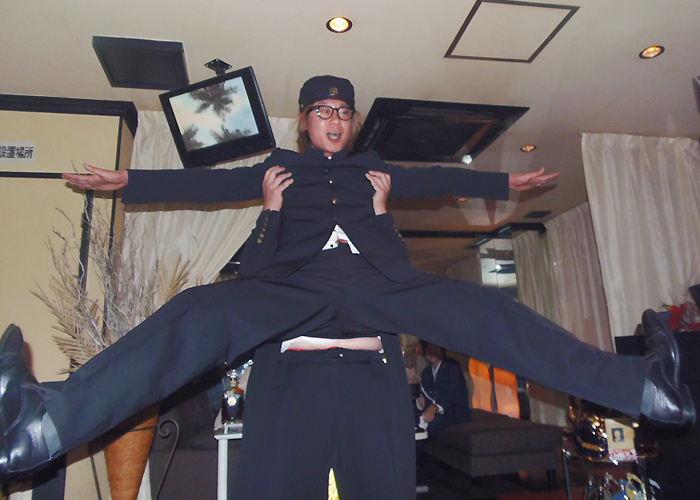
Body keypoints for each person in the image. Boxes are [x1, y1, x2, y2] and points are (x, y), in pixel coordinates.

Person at [0, 76, 694, 499]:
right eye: (322, 111)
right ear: (304, 122)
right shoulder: (278, 167)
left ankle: (645, 389)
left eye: (343, 112)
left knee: (483, 308)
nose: (334, 119)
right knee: (198, 309)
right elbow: (202, 185)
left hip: (374, 285)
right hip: (292, 287)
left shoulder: (374, 169)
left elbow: (439, 178)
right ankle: (44, 425)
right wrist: (128, 181)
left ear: (351, 124)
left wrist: (504, 181)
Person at [416, 342, 471, 438]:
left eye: (434, 347)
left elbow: (452, 395)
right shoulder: (426, 373)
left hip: (454, 413)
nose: (431, 351)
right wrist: (420, 401)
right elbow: (427, 399)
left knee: (433, 424)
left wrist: (433, 409)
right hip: (436, 413)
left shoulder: (452, 366)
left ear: (441, 349)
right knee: (413, 420)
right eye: (428, 348)